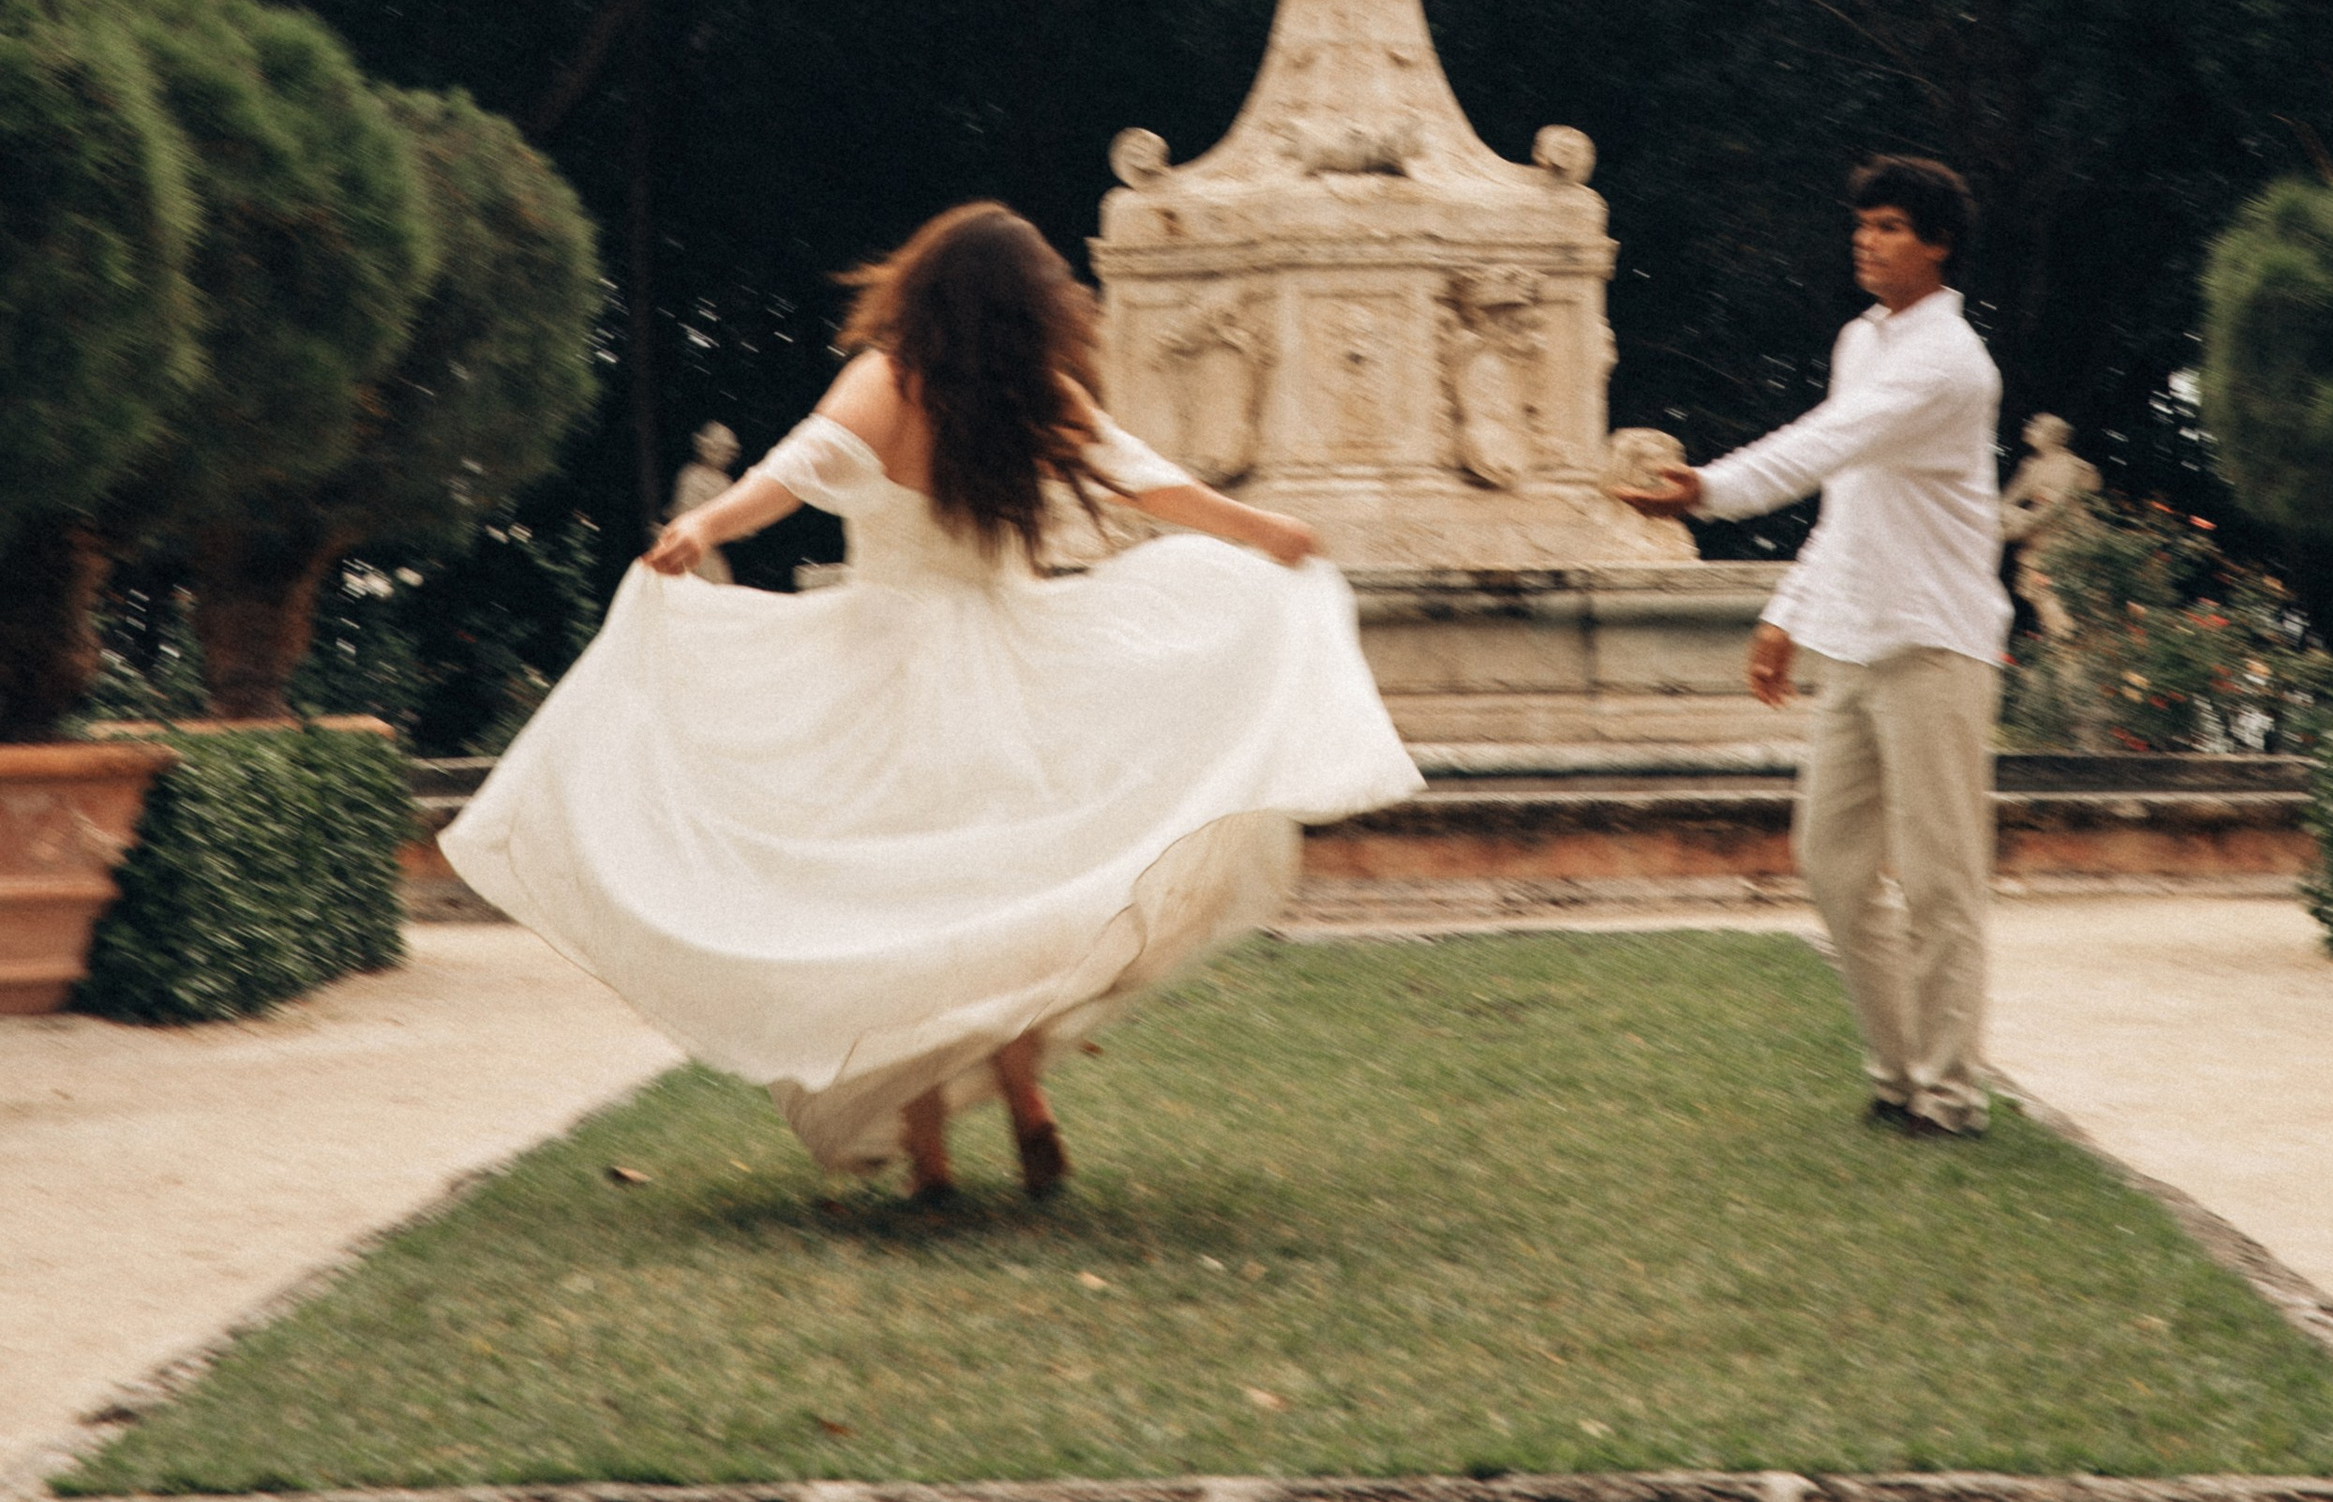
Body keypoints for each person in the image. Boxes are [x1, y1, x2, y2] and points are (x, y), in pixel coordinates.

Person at [443, 202, 1421, 1200]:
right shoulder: (1034, 393)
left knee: (906, 907)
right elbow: (1148, 484)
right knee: (1012, 890)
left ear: (923, 286)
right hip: (1013, 658)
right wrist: (1259, 531)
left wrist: (705, 525)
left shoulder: (887, 380)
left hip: (887, 666)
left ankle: (931, 1160)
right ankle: (1025, 1096)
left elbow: (794, 473)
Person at [1613, 156, 2006, 1139]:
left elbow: (1824, 444)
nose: (1865, 241)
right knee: (1831, 866)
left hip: (1935, 642)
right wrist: (1787, 608)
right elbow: (1850, 497)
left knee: (1937, 881)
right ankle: (1897, 1075)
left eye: (1887, 227)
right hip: (1855, 640)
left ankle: (1949, 1099)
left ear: (1937, 245)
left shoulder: (1949, 360)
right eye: (1861, 224)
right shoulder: (1860, 340)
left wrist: (1706, 489)